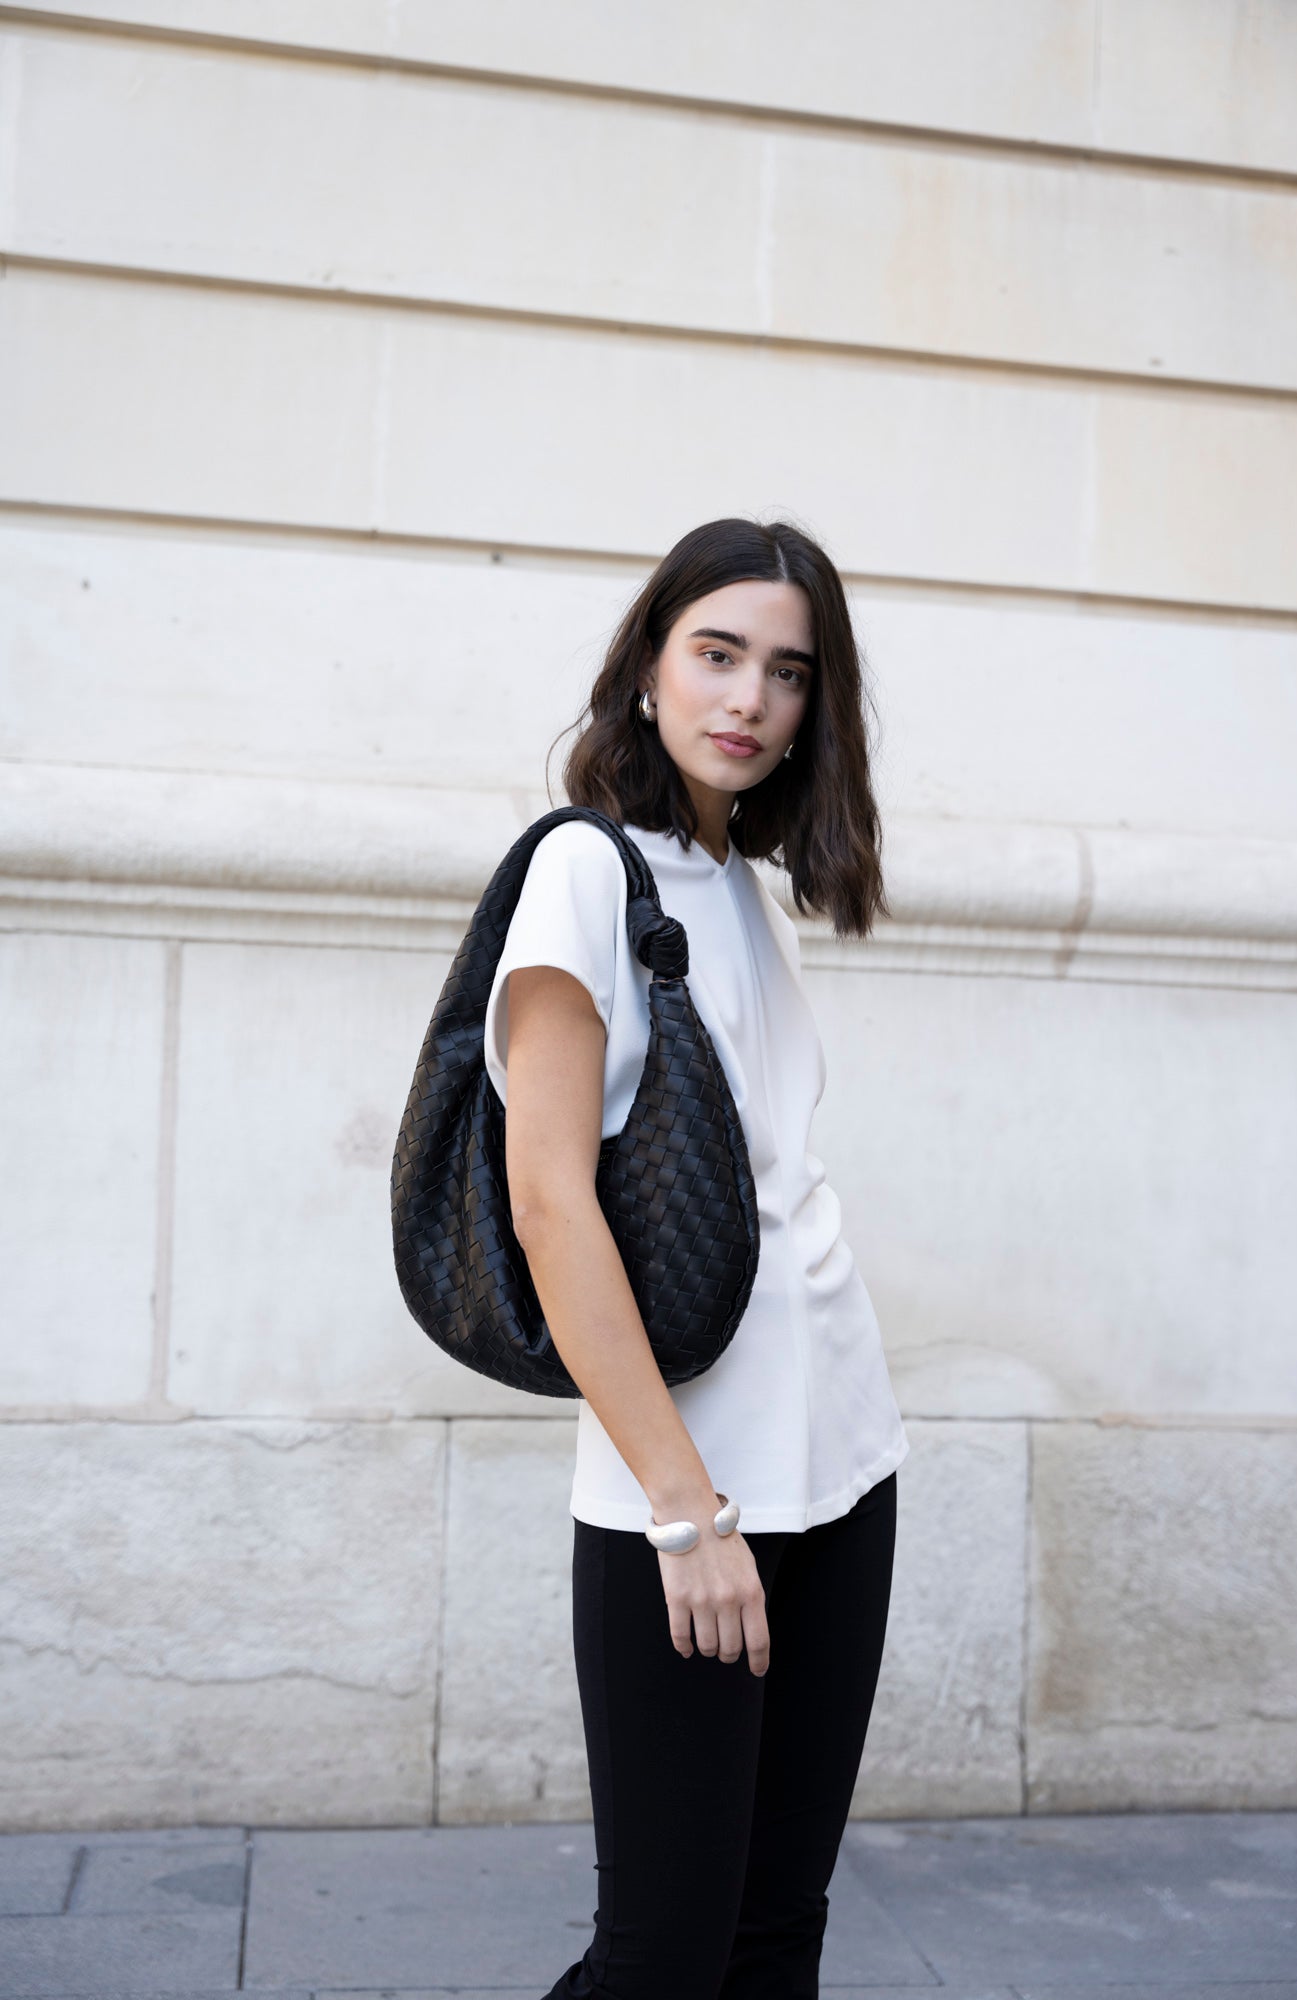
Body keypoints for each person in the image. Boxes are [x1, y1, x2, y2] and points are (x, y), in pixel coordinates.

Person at [483, 516, 909, 1999]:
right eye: (715, 654)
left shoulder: (738, 888)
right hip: (691, 1491)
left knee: (773, 1932)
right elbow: (551, 1204)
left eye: (786, 673)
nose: (747, 700)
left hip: (842, 1462)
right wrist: (684, 1511)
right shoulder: (585, 877)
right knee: (660, 1957)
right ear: (648, 667)